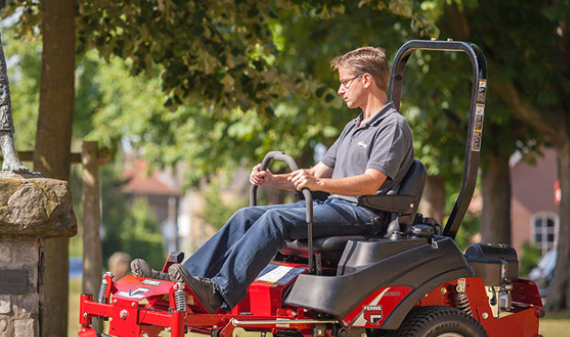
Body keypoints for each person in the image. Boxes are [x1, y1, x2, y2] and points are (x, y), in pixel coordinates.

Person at [131, 46, 414, 314]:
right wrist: (273, 180)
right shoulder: (353, 127)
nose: (340, 89)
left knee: (274, 220)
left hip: (364, 214)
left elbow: (372, 182)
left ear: (366, 80)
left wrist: (318, 186)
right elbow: (314, 175)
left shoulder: (392, 126)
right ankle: (184, 279)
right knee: (246, 215)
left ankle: (219, 291)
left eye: (345, 82)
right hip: (337, 207)